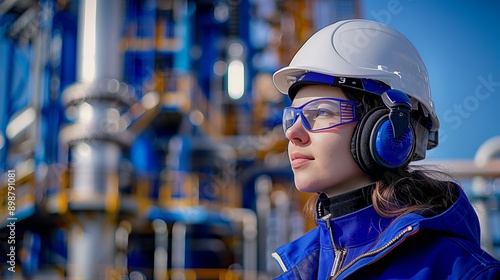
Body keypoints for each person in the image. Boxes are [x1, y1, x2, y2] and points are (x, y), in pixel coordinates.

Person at [270, 19, 500, 279]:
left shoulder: (462, 272)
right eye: (293, 116)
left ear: (389, 130)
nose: (292, 133)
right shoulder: (297, 271)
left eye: (321, 112)